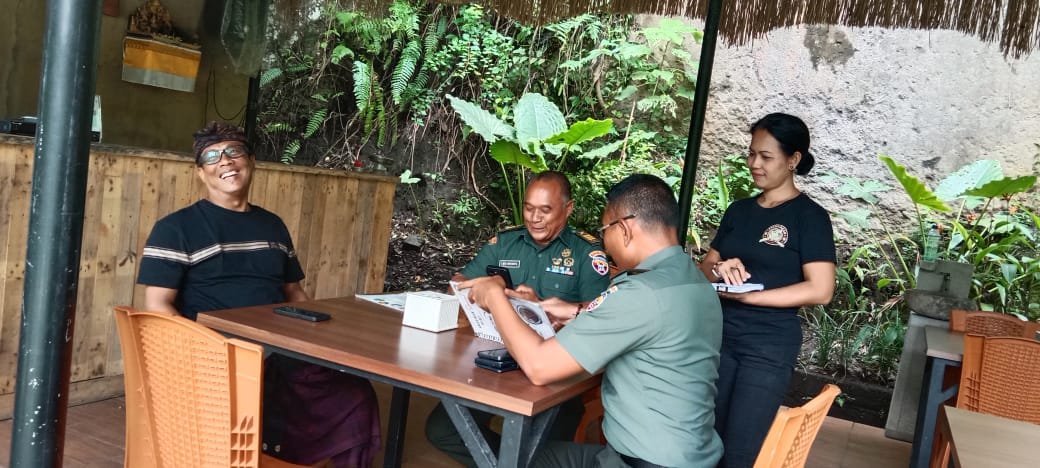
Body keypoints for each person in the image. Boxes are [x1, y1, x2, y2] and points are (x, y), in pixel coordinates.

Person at [136, 121, 382, 468]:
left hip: (278, 349)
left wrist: (322, 338)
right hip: (217, 355)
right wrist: (207, 354)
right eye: (212, 157)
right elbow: (158, 306)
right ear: (201, 173)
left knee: (354, 392)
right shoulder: (175, 229)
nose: (225, 162)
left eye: (234, 152)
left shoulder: (272, 225)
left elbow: (294, 291)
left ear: (251, 161)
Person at [459, 174, 724, 468]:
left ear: (624, 228)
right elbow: (650, 325)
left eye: (605, 230)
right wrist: (574, 311)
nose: (605, 243)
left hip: (641, 461)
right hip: (687, 455)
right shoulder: (694, 282)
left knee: (510, 460)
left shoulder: (640, 292)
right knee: (526, 456)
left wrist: (495, 297)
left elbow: (539, 367)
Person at [426, 171, 611, 466]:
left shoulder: (585, 253)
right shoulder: (505, 243)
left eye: (545, 210)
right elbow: (459, 281)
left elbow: (601, 313)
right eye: (528, 208)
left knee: (544, 453)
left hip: (555, 376)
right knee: (442, 431)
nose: (534, 218)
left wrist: (543, 307)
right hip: (495, 362)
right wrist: (493, 292)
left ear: (568, 208)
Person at [698, 113, 836, 468]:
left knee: (741, 450)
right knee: (704, 438)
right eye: (751, 154)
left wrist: (750, 296)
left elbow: (821, 289)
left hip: (768, 346)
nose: (755, 164)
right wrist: (720, 267)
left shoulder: (810, 217)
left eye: (766, 156)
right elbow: (705, 267)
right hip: (721, 335)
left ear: (793, 160)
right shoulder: (739, 211)